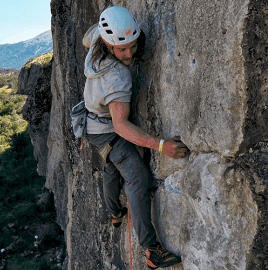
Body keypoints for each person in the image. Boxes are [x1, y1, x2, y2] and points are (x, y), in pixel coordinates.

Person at [82, 6, 189, 269]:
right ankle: (151, 250)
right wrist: (160, 145)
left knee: (111, 166)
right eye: (122, 49)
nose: (129, 53)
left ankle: (114, 212)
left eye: (132, 45)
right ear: (108, 44)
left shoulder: (99, 37)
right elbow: (121, 126)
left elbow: (87, 36)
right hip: (106, 130)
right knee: (137, 177)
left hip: (92, 122)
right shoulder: (117, 77)